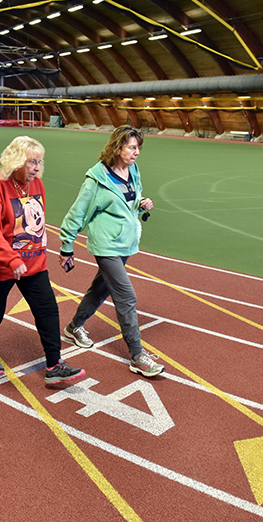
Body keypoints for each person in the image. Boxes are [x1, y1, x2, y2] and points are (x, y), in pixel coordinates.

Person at [0, 136, 85, 386]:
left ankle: (54, 364)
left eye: (39, 162)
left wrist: (48, 252)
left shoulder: (38, 186)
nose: (37, 167)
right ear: (16, 161)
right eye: (32, 162)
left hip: (33, 263)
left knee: (48, 309)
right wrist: (11, 259)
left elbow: (37, 225)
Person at [59, 126, 164, 378]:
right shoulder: (96, 180)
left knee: (100, 289)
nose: (137, 152)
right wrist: (66, 246)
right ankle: (138, 356)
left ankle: (74, 327)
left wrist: (141, 203)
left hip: (126, 243)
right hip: (106, 245)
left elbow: (131, 199)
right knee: (126, 297)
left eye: (138, 147)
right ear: (117, 147)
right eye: (132, 147)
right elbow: (77, 214)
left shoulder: (133, 171)